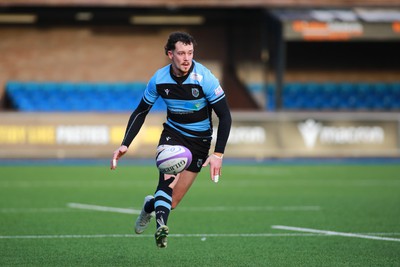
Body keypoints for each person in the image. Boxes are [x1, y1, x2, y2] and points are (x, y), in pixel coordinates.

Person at [110, 31, 232, 248]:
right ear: (170, 54)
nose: (187, 58)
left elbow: (225, 115)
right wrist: (125, 143)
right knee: (165, 182)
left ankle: (150, 206)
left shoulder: (205, 78)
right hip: (173, 134)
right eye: (181, 53)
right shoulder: (159, 79)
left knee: (172, 201)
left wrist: (218, 154)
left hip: (200, 141)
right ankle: (161, 229)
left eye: (190, 53)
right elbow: (141, 111)